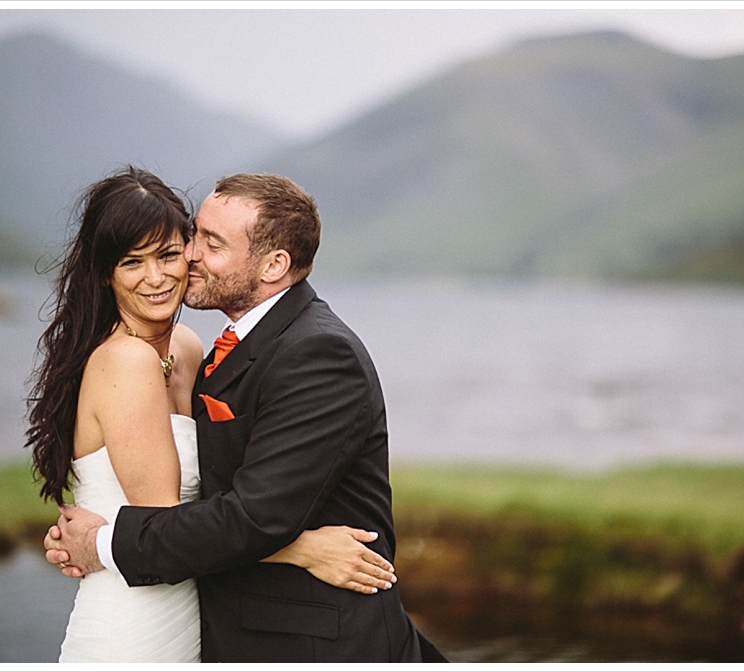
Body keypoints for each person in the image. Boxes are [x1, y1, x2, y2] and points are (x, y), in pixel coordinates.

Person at [45, 172, 447, 662]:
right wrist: (302, 547)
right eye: (193, 237)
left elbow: (248, 513)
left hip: (309, 645)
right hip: (156, 619)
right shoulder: (154, 356)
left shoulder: (310, 352)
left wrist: (104, 541)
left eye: (207, 244)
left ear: (274, 265)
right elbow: (220, 508)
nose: (188, 256)